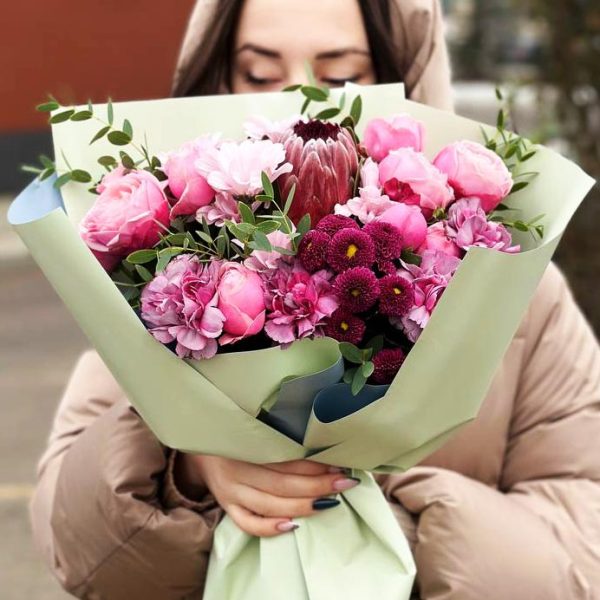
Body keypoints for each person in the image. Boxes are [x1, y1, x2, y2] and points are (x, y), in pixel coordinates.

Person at [30, 1, 600, 599]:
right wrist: (190, 468)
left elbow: (580, 546)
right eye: (258, 74)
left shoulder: (522, 300)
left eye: (342, 77)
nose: (299, 101)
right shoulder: (162, 293)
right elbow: (76, 548)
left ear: (407, 81)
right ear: (215, 79)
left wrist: (373, 512)